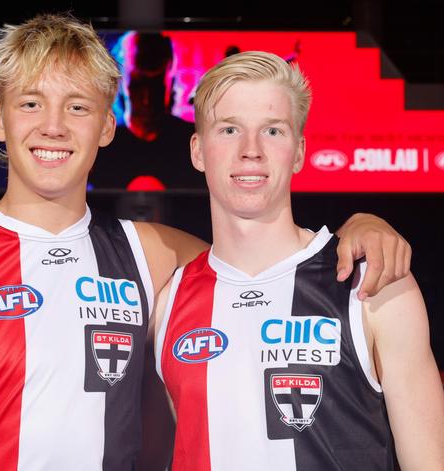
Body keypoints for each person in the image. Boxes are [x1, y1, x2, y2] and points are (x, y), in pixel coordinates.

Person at [0, 15, 411, 471]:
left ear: (105, 127)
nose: (53, 126)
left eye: (77, 106)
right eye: (29, 103)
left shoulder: (148, 254)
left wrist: (362, 225)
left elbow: (267, 260)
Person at [154, 51, 444, 470]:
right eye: (229, 129)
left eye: (272, 130)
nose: (250, 150)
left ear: (300, 151)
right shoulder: (167, 304)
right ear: (198, 151)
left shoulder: (373, 287)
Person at [90, 31, 204, 189]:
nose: (146, 100)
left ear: (170, 80)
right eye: (136, 86)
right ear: (120, 83)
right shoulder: (96, 146)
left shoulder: (195, 143)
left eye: (156, 86)